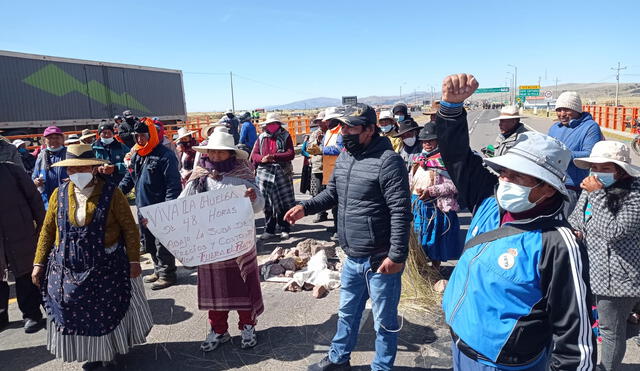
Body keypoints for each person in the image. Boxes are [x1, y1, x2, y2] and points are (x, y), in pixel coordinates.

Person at [436, 73, 595, 370]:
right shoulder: (489, 198)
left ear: (547, 187)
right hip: (460, 348)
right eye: (504, 171)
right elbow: (456, 157)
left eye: (517, 175)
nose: (504, 180)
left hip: (505, 364)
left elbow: (576, 341)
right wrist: (451, 108)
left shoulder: (557, 243)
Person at [285, 103, 412, 371]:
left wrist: (397, 255)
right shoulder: (345, 156)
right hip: (352, 255)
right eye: (343, 127)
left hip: (380, 260)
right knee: (347, 313)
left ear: (369, 129)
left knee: (384, 322)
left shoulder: (389, 161)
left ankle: (382, 367)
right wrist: (305, 207)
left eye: (352, 127)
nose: (345, 132)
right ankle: (338, 359)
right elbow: (332, 194)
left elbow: (401, 211)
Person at [31, 144, 152, 369]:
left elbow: (129, 228)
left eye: (82, 168)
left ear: (94, 168)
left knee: (105, 311)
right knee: (72, 311)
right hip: (67, 265)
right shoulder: (59, 194)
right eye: (71, 170)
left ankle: (108, 355)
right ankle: (92, 355)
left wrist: (134, 260)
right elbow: (47, 230)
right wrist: (38, 263)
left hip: (105, 265)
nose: (77, 174)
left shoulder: (111, 193)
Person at [180, 127, 264, 352]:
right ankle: (219, 329)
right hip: (210, 242)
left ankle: (247, 325)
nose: (215, 156)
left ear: (231, 154)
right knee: (216, 288)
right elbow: (183, 204)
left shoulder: (243, 175)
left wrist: (252, 198)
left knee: (243, 284)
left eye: (220, 152)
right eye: (212, 152)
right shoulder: (199, 176)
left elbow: (259, 206)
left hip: (239, 241)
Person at [568, 140, 640, 371]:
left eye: (604, 168)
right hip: (592, 269)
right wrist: (576, 229)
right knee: (600, 325)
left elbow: (614, 232)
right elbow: (577, 218)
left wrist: (597, 195)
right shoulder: (591, 190)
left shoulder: (635, 195)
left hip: (620, 277)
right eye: (594, 167)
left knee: (611, 331)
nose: (597, 173)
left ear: (620, 170)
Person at [119, 119, 182, 290]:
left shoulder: (165, 155)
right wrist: (117, 193)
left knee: (162, 242)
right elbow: (129, 177)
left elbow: (173, 184)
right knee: (148, 241)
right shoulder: (137, 154)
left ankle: (167, 274)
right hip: (142, 207)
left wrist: (169, 207)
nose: (140, 139)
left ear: (151, 135)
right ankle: (157, 269)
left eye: (143, 135)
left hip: (160, 208)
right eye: (137, 136)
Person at [0, 162, 45, 333]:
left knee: (25, 273)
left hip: (20, 230)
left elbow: (34, 197)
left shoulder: (11, 170)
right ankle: (1, 316)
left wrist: (43, 224)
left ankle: (32, 314)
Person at [410, 123, 462, 270]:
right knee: (419, 238)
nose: (427, 143)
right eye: (424, 140)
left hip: (436, 208)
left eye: (431, 140)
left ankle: (435, 270)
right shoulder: (418, 160)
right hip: (418, 206)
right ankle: (421, 269)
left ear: (438, 141)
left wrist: (431, 191)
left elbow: (454, 186)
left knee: (436, 239)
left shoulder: (444, 160)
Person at [548, 91, 603, 215]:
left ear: (577, 109)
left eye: (566, 109)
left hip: (573, 188)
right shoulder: (555, 128)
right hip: (552, 185)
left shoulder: (590, 127)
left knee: (568, 225)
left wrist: (563, 154)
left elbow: (590, 155)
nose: (562, 114)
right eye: (559, 109)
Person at [251, 113, 296, 240]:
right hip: (264, 173)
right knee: (267, 202)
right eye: (269, 124)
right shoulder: (261, 137)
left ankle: (284, 227)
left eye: (274, 124)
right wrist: (262, 158)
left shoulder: (286, 136)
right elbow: (254, 155)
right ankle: (269, 229)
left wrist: (275, 156)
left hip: (281, 172)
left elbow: (290, 153)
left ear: (278, 125)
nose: (271, 126)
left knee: (284, 202)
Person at [32, 126, 68, 209]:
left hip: (66, 197)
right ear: (44, 141)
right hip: (47, 201)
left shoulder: (69, 153)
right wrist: (36, 182)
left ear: (62, 139)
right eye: (50, 138)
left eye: (57, 137)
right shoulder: (41, 155)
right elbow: (34, 176)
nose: (54, 140)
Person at [305, 112, 332, 223]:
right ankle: (321, 213)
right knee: (318, 192)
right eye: (318, 121)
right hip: (318, 166)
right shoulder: (315, 134)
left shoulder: (332, 133)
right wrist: (317, 141)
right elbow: (309, 149)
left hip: (330, 166)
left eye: (321, 121)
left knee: (332, 191)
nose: (319, 123)